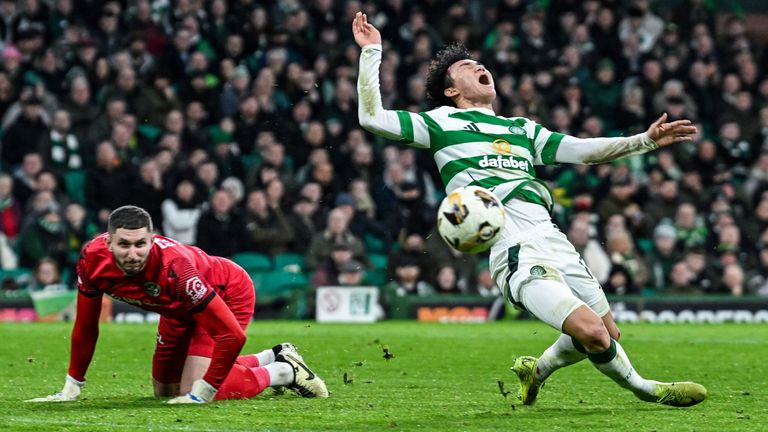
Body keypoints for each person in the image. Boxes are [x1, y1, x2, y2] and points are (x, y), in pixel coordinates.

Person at [352, 12, 706, 407]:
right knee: (592, 333)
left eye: (480, 63)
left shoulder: (522, 129)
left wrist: (644, 141)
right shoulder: (439, 123)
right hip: (513, 248)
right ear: (452, 91)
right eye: (468, 67)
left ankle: (535, 370)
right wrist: (372, 51)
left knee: (607, 333)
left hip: (552, 237)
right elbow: (372, 118)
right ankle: (647, 389)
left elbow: (582, 150)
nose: (480, 66)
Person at [27, 205, 327, 404]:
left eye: (140, 244)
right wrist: (72, 385)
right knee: (165, 391)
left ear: (152, 239)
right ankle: (271, 354)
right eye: (124, 245)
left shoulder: (175, 269)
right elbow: (86, 325)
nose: (133, 254)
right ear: (108, 243)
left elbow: (231, 336)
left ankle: (284, 371)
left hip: (224, 291)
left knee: (192, 387)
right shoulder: (91, 260)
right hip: (175, 310)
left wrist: (204, 392)